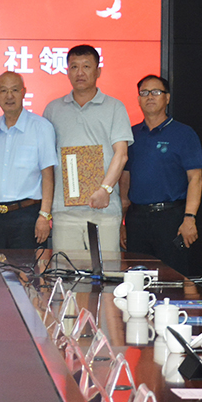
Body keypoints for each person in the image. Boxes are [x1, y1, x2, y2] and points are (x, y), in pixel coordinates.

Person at [42, 45, 133, 252]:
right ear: (67, 72)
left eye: (86, 66)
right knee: (65, 270)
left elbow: (121, 154)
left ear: (98, 71)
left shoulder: (114, 107)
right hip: (64, 212)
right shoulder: (53, 109)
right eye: (74, 67)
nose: (80, 72)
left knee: (105, 270)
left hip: (104, 210)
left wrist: (105, 190)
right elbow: (46, 161)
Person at [119, 75, 202, 276]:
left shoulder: (184, 134)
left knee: (172, 279)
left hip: (171, 219)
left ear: (167, 98)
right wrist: (122, 222)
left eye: (156, 92)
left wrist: (189, 218)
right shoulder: (131, 135)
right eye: (144, 93)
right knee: (137, 279)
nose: (150, 97)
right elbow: (125, 180)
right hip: (137, 220)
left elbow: (195, 179)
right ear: (138, 99)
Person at [0, 72, 57, 249]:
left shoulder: (41, 127)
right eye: (4, 91)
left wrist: (44, 215)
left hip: (27, 215)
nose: (9, 96)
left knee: (26, 266)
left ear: (24, 92)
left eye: (15, 90)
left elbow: (48, 175)